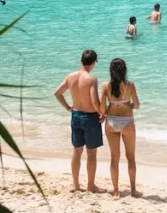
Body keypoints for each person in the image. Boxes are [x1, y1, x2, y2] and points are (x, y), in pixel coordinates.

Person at [53, 49, 104, 193]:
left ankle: (75, 184)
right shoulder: (91, 79)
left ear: (81, 61)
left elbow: (57, 93)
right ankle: (91, 185)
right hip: (90, 118)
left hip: (76, 116)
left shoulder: (71, 77)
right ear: (93, 63)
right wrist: (101, 113)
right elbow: (94, 100)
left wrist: (68, 108)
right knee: (91, 153)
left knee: (77, 151)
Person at [100, 58, 142, 199]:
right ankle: (133, 190)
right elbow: (136, 105)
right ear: (124, 70)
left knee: (114, 158)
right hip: (127, 123)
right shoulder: (130, 85)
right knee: (130, 158)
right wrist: (127, 105)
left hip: (111, 122)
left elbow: (101, 108)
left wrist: (107, 109)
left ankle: (116, 191)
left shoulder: (105, 86)